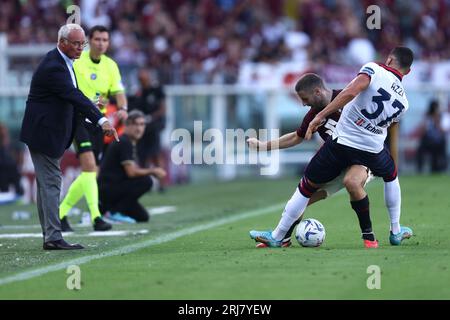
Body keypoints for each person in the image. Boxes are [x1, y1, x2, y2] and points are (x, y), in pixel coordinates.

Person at [250, 47, 414, 248]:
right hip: (368, 149)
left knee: (339, 183)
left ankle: (370, 237)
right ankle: (395, 231)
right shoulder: (404, 103)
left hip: (346, 148)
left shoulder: (370, 73)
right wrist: (265, 146)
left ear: (389, 59)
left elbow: (352, 91)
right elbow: (298, 136)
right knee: (390, 174)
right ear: (408, 71)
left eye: (305, 99)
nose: (303, 105)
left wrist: (322, 116)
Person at [20, 24, 118, 250]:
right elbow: (72, 95)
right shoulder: (55, 65)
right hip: (44, 133)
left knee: (47, 184)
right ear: (61, 42)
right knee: (51, 182)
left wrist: (89, 107)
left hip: (45, 131)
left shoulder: (62, 61)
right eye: (76, 43)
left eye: (82, 43)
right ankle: (53, 237)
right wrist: (101, 119)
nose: (80, 48)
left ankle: (50, 235)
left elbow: (67, 97)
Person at [59, 25, 128, 231]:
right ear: (89, 41)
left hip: (99, 121)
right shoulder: (77, 62)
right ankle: (96, 217)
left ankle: (60, 213)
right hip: (78, 119)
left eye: (105, 40)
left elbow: (118, 91)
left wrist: (123, 108)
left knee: (91, 172)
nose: (101, 43)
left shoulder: (111, 66)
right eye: (97, 39)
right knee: (90, 167)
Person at [98, 110, 166, 223]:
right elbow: (131, 172)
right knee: (147, 181)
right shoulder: (124, 142)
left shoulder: (131, 142)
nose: (139, 128)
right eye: (135, 124)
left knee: (143, 217)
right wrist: (153, 170)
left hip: (116, 189)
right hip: (109, 189)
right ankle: (113, 212)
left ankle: (107, 209)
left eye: (142, 124)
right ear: (127, 125)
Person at [130, 68, 167, 191]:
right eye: (140, 79)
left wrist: (151, 117)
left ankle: (161, 183)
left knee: (156, 154)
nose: (142, 80)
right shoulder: (138, 92)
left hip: (154, 126)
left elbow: (162, 109)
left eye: (143, 78)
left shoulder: (156, 90)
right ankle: (145, 184)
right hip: (141, 128)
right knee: (142, 156)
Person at [416, 100, 448, 173]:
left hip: (439, 142)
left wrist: (437, 122)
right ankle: (419, 169)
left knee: (438, 151)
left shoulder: (443, 116)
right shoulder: (427, 117)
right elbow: (423, 131)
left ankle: (439, 169)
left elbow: (444, 131)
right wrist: (427, 119)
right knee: (421, 149)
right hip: (429, 141)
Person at [0, 123, 24, 202]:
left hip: (9, 171)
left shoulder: (9, 148)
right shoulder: (6, 149)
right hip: (6, 171)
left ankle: (18, 195)